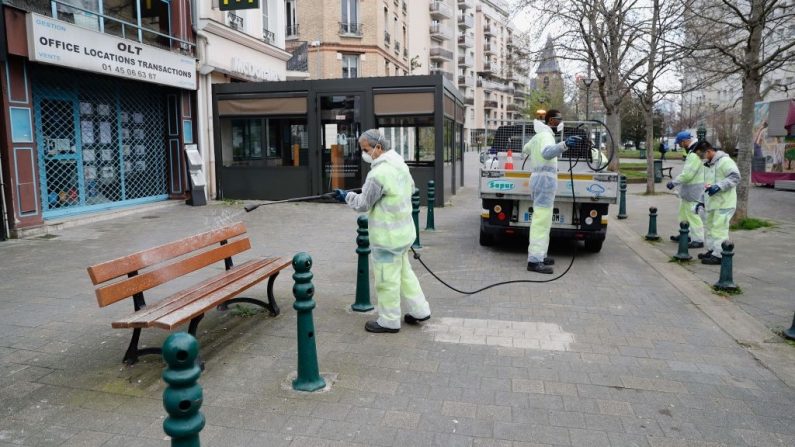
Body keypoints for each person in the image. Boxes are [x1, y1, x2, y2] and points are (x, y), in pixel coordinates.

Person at [334, 129, 431, 333]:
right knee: (406, 275)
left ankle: (389, 320)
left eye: (366, 149)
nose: (365, 153)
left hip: (387, 239)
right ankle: (420, 310)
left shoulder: (377, 173)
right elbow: (410, 189)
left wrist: (346, 196)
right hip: (404, 234)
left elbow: (363, 204)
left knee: (386, 280)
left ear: (378, 147)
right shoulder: (400, 165)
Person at [522, 109, 582, 274]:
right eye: (558, 119)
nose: (560, 122)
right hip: (544, 182)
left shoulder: (538, 136)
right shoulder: (546, 136)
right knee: (541, 221)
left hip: (538, 180)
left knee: (544, 219)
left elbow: (526, 149)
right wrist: (564, 145)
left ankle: (540, 255)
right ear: (551, 121)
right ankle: (534, 261)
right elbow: (547, 153)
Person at [698, 141, 740, 265]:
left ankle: (720, 255)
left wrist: (719, 186)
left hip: (724, 203)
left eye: (703, 155)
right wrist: (701, 201)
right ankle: (712, 250)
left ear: (709, 151)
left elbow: (735, 177)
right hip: (712, 203)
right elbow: (706, 185)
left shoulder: (725, 162)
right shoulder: (709, 165)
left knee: (719, 229)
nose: (702, 158)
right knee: (710, 228)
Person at [666, 131, 705, 248]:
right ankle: (685, 234)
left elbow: (688, 174)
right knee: (683, 212)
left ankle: (698, 239)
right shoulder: (695, 151)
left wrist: (673, 182)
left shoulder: (694, 154)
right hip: (691, 188)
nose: (680, 146)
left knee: (692, 213)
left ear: (685, 141)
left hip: (693, 188)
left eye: (680, 143)